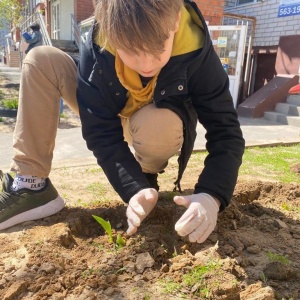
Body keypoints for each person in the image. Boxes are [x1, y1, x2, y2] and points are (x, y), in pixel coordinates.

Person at [0, 0, 245, 243]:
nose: (146, 64)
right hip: (109, 109)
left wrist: (211, 195)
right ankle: (31, 182)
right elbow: (101, 132)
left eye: (159, 47)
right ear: (109, 32)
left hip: (153, 122)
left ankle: (147, 172)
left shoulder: (196, 51)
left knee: (161, 123)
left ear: (176, 21)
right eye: (132, 51)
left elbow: (226, 131)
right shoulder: (99, 44)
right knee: (42, 59)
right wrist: (132, 188)